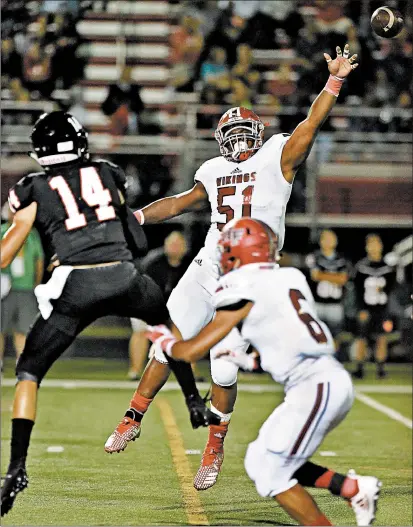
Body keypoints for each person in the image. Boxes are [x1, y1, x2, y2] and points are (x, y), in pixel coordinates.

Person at [105, 43, 360, 491]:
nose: (241, 140)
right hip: (208, 265)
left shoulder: (279, 154)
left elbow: (312, 122)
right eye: (233, 132)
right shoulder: (212, 168)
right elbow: (181, 203)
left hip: (250, 278)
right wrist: (139, 216)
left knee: (224, 370)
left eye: (247, 131)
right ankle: (133, 416)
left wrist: (334, 81)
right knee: (164, 342)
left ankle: (215, 443)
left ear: (258, 133)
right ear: (222, 139)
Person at [0, 111, 215, 517]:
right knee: (166, 326)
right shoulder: (107, 171)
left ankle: (15, 470)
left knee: (28, 373)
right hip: (122, 275)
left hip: (76, 283)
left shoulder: (32, 187)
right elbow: (130, 232)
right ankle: (192, 400)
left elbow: (8, 249)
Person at [146, 218, 382, 527]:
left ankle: (347, 498)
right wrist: (250, 361)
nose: (226, 256)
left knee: (272, 473)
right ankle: (353, 488)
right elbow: (288, 333)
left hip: (314, 386)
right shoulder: (291, 276)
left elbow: (191, 351)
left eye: (229, 249)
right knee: (260, 460)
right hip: (322, 380)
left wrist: (164, 339)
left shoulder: (242, 285)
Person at [128, 231, 191, 380]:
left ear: (185, 247)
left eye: (178, 244)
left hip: (174, 305)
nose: (175, 248)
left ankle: (189, 372)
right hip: (144, 302)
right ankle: (135, 371)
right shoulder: (153, 262)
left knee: (184, 333)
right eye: (172, 244)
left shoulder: (190, 264)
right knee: (141, 331)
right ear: (165, 246)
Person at [1, 204, 44, 366]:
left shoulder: (31, 234)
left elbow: (38, 260)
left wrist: (36, 284)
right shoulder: (2, 231)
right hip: (5, 288)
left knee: (23, 328)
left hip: (26, 288)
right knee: (1, 328)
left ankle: (22, 362)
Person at [352, 233, 397, 379]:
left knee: (382, 338)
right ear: (366, 247)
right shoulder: (361, 267)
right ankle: (359, 368)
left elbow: (391, 290)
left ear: (381, 246)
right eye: (370, 244)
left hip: (381, 308)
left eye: (376, 244)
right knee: (361, 338)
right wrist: (360, 309)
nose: (373, 247)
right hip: (366, 307)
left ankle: (381, 368)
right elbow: (357, 291)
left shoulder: (388, 268)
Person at [305, 229, 349, 342]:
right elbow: (315, 276)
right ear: (321, 241)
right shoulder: (313, 257)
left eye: (332, 238)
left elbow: (343, 279)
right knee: (315, 335)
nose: (329, 241)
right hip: (317, 303)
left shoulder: (342, 259)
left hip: (335, 304)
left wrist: (323, 274)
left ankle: (332, 358)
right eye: (326, 238)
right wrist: (335, 276)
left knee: (335, 336)